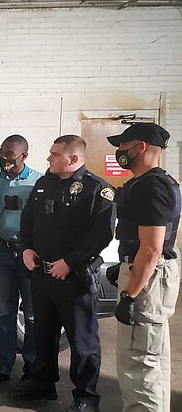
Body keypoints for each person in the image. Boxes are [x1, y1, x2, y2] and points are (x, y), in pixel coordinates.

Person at [11, 135, 115, 412]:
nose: (48, 158)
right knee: (43, 334)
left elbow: (101, 235)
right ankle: (42, 383)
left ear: (72, 159)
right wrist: (27, 248)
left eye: (54, 154)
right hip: (42, 275)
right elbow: (28, 221)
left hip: (73, 278)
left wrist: (70, 262)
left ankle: (85, 397)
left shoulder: (97, 190)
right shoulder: (44, 184)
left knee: (82, 341)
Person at [107, 123, 180, 412]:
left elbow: (152, 248)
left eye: (124, 146)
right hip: (148, 271)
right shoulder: (154, 182)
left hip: (148, 278)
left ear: (141, 147)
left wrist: (131, 293)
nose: (119, 152)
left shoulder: (151, 186)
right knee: (152, 359)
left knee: (139, 362)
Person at [0, 134, 40, 386]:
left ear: (24, 156)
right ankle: (1, 366)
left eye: (11, 155)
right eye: (2, 154)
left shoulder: (38, 183)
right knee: (3, 313)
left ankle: (33, 367)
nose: (5, 160)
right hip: (0, 253)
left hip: (29, 254)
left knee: (33, 315)